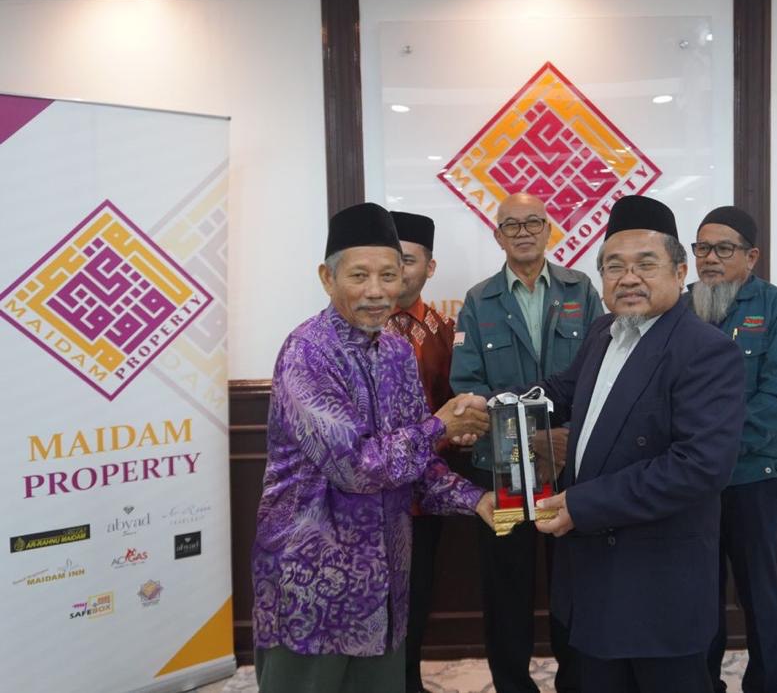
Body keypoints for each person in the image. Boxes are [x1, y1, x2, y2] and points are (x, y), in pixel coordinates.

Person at [251, 202, 495, 693]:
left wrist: (477, 500)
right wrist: (439, 426)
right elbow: (357, 466)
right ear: (327, 278)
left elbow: (416, 464)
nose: (377, 290)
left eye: (389, 274)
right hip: (312, 584)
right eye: (359, 275)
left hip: (383, 585)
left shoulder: (398, 352)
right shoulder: (307, 352)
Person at [533, 194, 746, 693]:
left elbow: (697, 467)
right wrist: (494, 408)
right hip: (592, 573)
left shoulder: (706, 351)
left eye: (645, 264)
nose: (628, 278)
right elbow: (561, 392)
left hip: (657, 585)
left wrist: (583, 504)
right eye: (614, 266)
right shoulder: (603, 331)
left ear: (679, 271)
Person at [450, 192, 602, 693]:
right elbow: (467, 386)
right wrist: (533, 438)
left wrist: (565, 439)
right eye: (511, 225)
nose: (523, 232)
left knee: (574, 583)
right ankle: (513, 686)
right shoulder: (479, 300)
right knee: (506, 587)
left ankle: (576, 684)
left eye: (533, 222)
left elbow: (601, 373)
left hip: (571, 463)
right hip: (503, 464)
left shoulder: (582, 290)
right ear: (497, 236)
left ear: (549, 229)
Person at [689, 205, 777, 693]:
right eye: (702, 248)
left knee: (758, 592)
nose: (710, 259)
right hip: (690, 480)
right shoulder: (680, 306)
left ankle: (765, 684)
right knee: (698, 593)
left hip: (753, 477)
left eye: (724, 249)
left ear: (751, 256)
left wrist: (717, 451)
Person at [385, 211, 458, 693]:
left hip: (423, 492)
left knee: (417, 594)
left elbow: (454, 405)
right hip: (364, 493)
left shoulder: (443, 331)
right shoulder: (352, 327)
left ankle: (408, 679)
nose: (397, 271)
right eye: (390, 260)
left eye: (408, 260)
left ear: (429, 268)